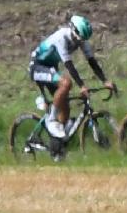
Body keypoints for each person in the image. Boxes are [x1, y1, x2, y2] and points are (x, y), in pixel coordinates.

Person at [28, 14, 108, 147]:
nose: (81, 42)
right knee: (66, 83)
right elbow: (69, 65)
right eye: (80, 38)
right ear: (73, 30)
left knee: (65, 108)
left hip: (51, 68)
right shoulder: (61, 37)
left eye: (84, 39)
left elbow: (92, 61)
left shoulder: (81, 39)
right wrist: (82, 86)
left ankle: (57, 146)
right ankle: (52, 119)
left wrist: (105, 81)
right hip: (37, 67)